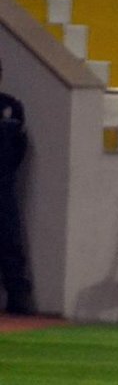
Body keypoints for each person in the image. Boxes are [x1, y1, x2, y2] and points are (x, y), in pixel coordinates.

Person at [0, 58, 32, 315]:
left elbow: (19, 148)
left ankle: (17, 297)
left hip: (3, 184)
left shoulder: (11, 107)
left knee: (10, 241)